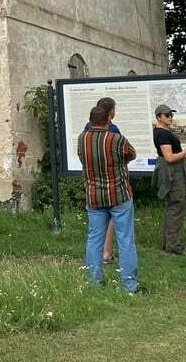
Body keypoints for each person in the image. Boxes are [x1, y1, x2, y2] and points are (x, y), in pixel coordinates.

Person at [77, 97, 141, 294]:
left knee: (94, 238)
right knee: (125, 239)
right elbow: (132, 154)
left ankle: (95, 283)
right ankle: (129, 285)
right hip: (119, 194)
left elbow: (81, 158)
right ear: (108, 119)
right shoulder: (116, 139)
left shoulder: (82, 138)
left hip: (94, 196)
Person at [152, 104, 186, 254]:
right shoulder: (163, 134)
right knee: (176, 205)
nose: (170, 117)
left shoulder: (162, 131)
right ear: (158, 117)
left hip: (173, 170)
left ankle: (169, 242)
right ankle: (172, 244)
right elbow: (169, 158)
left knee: (174, 206)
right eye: (166, 115)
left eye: (171, 114)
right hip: (173, 172)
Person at [84, 111, 120, 264]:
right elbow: (127, 153)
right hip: (111, 183)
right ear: (110, 115)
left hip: (92, 183)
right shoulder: (113, 130)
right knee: (115, 217)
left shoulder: (86, 131)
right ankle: (107, 252)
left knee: (94, 231)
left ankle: (94, 275)